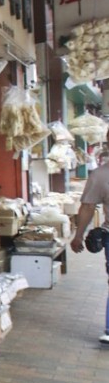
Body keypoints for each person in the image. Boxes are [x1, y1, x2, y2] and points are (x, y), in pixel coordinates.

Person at [70, 140, 109, 344]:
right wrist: (78, 236)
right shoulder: (100, 176)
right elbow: (87, 207)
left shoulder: (101, 175)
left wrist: (78, 236)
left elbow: (87, 208)